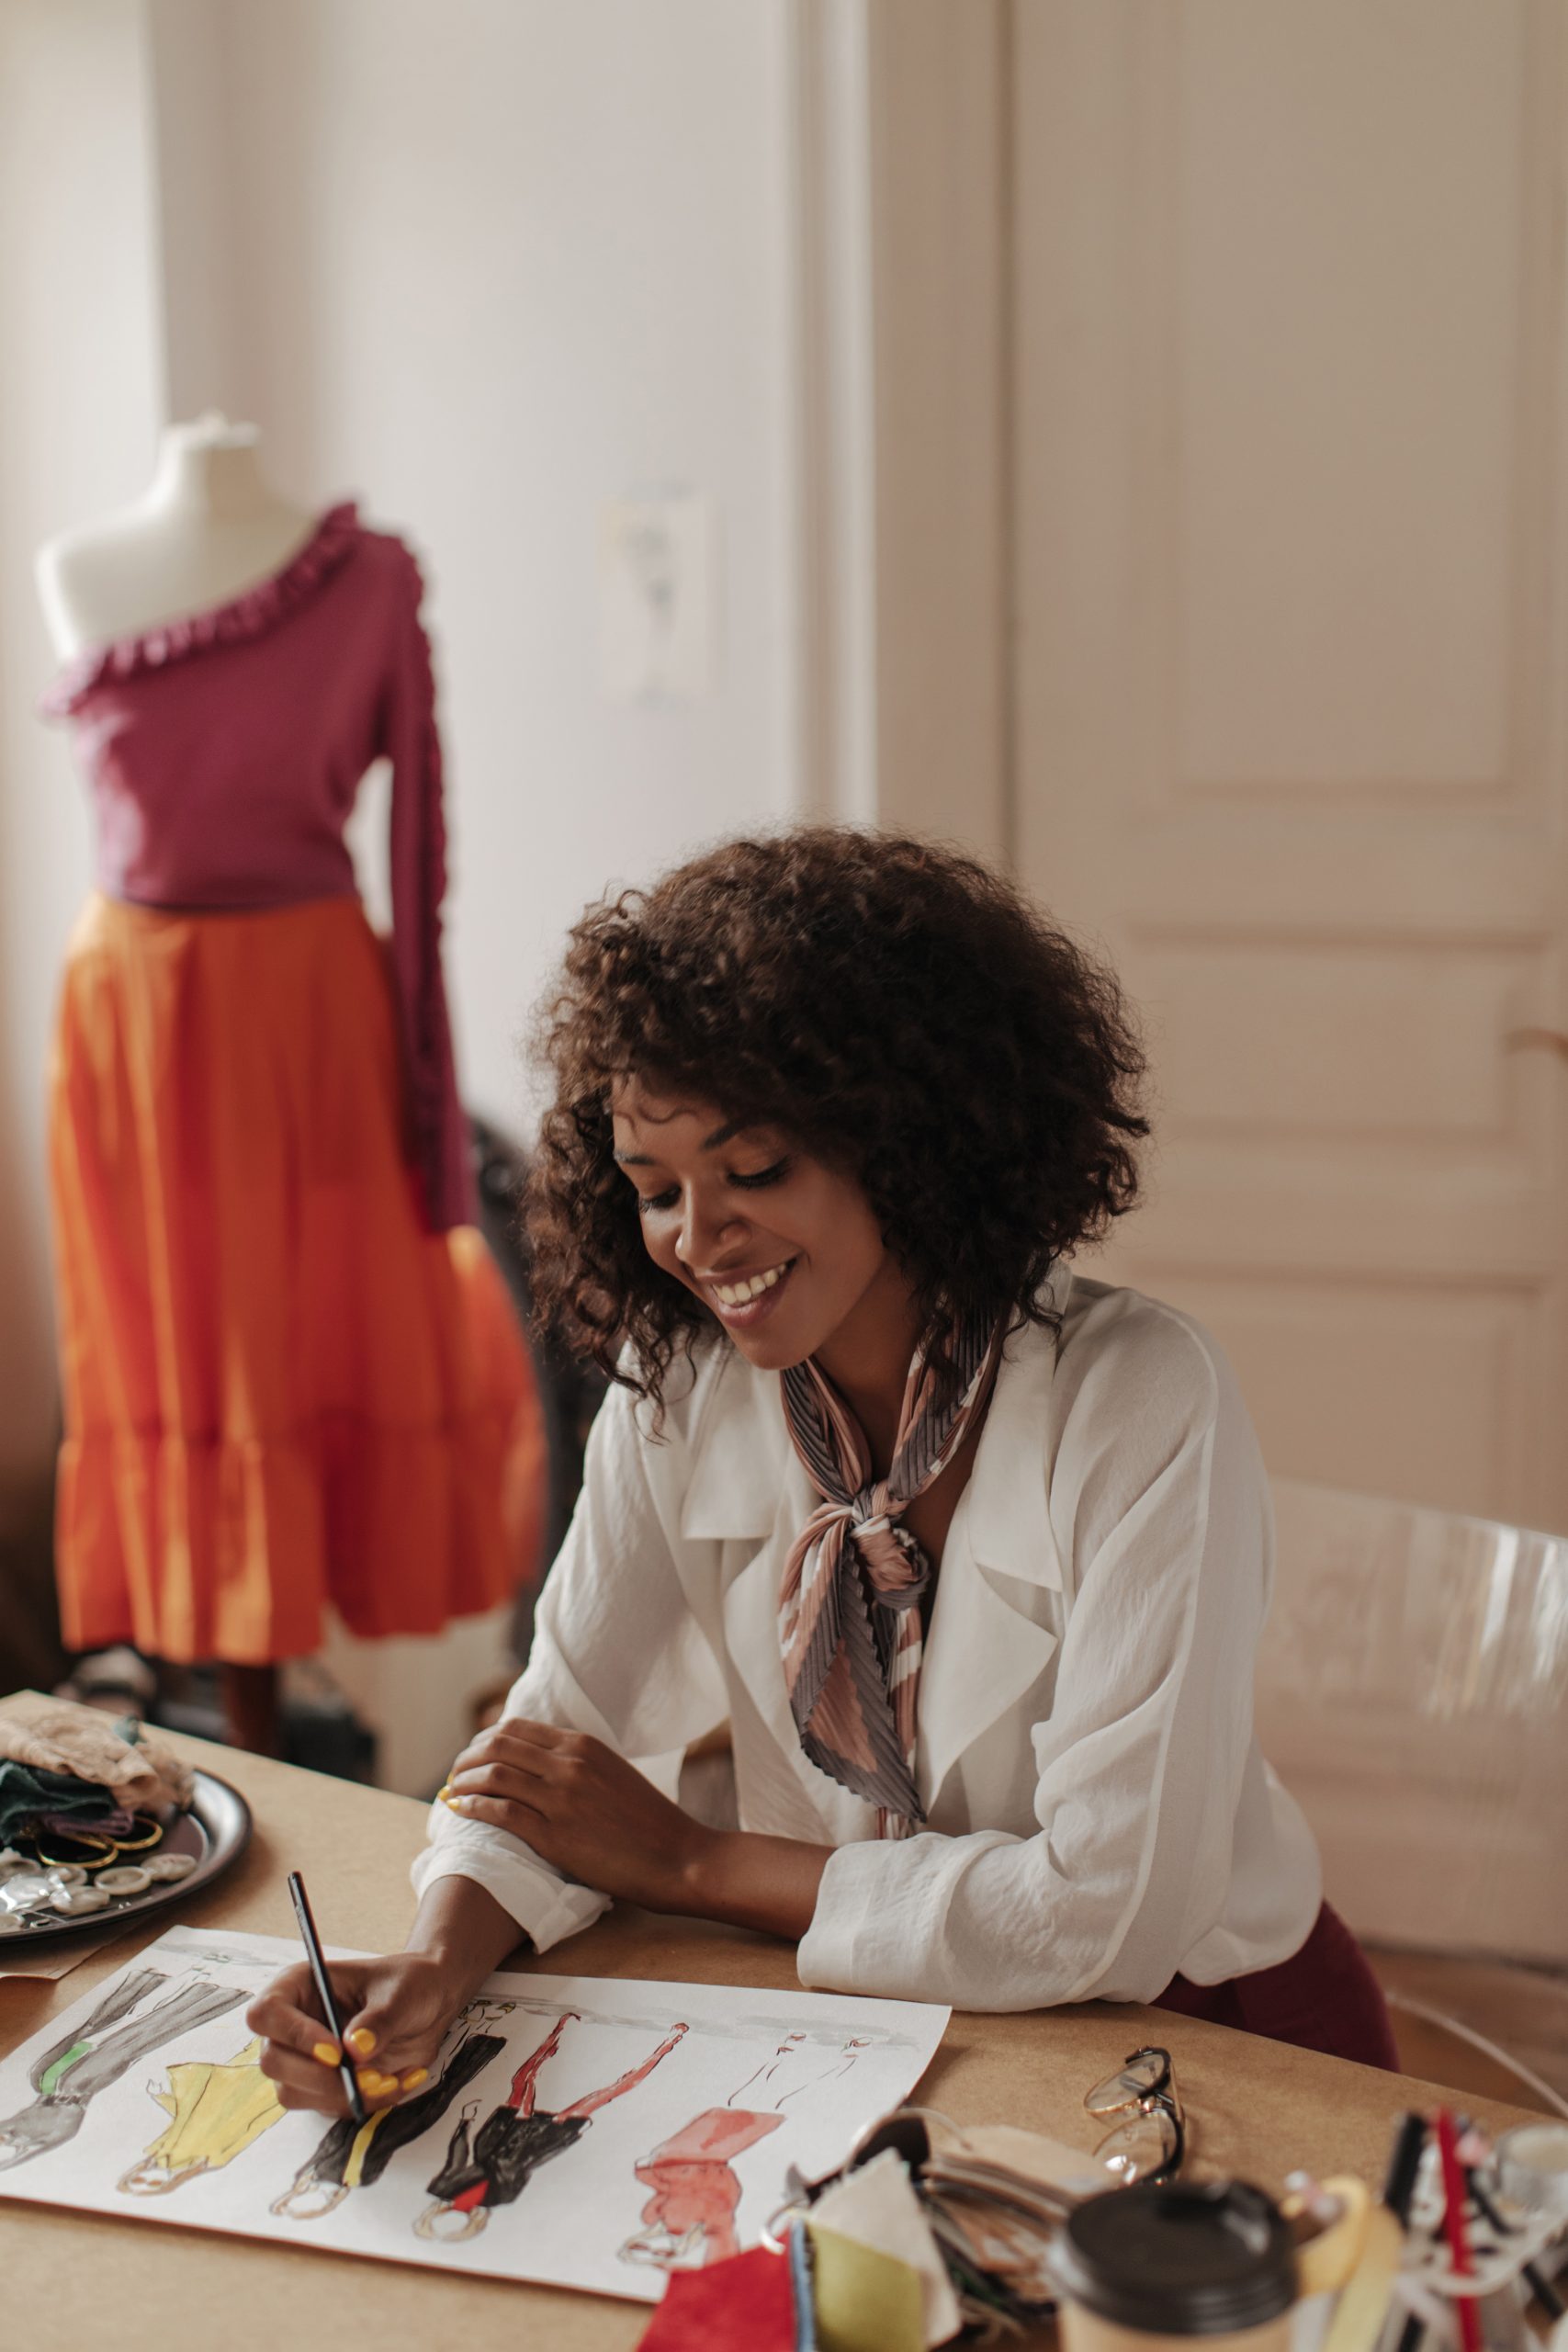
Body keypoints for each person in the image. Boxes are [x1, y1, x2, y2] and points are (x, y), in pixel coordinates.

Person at [249, 828, 1396, 2122]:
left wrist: (691, 1861)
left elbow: (1105, 1914)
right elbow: (555, 1747)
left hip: (1190, 2035)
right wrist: (433, 1967)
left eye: (755, 1170)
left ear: (906, 1138)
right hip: (882, 2020)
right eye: (654, 1189)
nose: (699, 1239)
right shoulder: (681, 1388)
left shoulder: (1138, 1399)